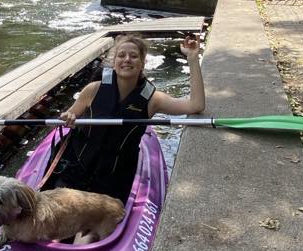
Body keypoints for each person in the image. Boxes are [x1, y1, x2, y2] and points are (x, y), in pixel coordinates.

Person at [51, 33, 205, 202]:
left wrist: (192, 58)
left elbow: (195, 105)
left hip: (115, 175)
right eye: (121, 55)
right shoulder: (93, 90)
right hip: (76, 165)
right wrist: (69, 116)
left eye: (134, 56)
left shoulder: (153, 100)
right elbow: (70, 116)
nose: (127, 60)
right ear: (114, 62)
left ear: (142, 63)